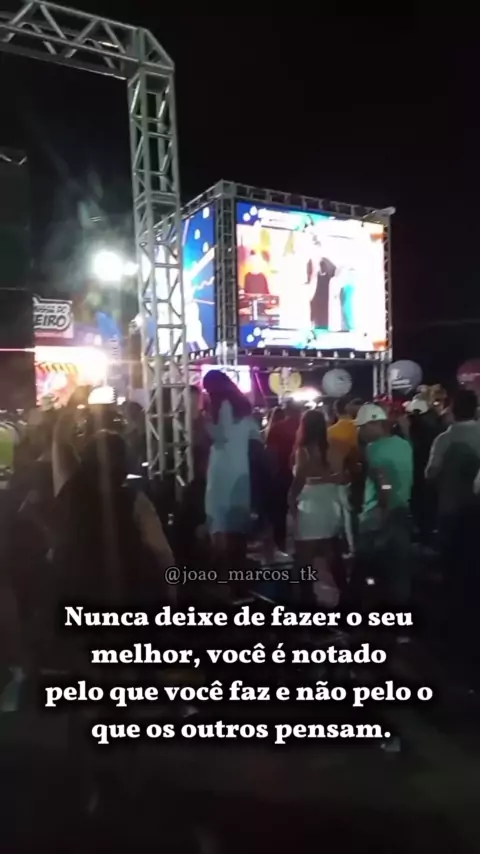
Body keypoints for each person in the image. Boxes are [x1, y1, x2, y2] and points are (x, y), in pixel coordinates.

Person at [289, 409, 352, 607]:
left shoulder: (304, 451)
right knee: (331, 554)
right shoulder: (336, 448)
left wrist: (291, 500)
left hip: (310, 505)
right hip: (331, 504)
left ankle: (307, 601)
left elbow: (300, 480)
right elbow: (345, 475)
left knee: (304, 557)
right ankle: (346, 596)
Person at [354, 403, 413, 608]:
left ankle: (372, 613)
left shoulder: (373, 449)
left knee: (369, 570)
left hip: (377, 515)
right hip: (402, 511)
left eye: (362, 427)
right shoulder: (404, 444)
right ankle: (401, 615)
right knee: (399, 570)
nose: (360, 432)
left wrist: (384, 504)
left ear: (374, 424)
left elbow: (383, 480)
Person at [203, 370, 261, 569]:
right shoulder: (243, 407)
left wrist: (205, 423)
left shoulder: (224, 405)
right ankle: (237, 566)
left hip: (222, 467)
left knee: (218, 514)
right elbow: (255, 435)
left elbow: (222, 436)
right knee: (236, 519)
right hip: (239, 467)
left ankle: (222, 567)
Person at [266, 399, 301, 550]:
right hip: (302, 475)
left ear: (287, 410)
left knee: (279, 513)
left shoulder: (277, 428)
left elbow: (271, 454)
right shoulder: (305, 427)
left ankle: (281, 547)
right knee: (302, 512)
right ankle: (301, 545)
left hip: (282, 474)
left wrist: (271, 475)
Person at [306, 234, 337, 329]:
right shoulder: (310, 264)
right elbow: (309, 291)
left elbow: (335, 276)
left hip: (326, 307)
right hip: (315, 307)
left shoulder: (327, 263)